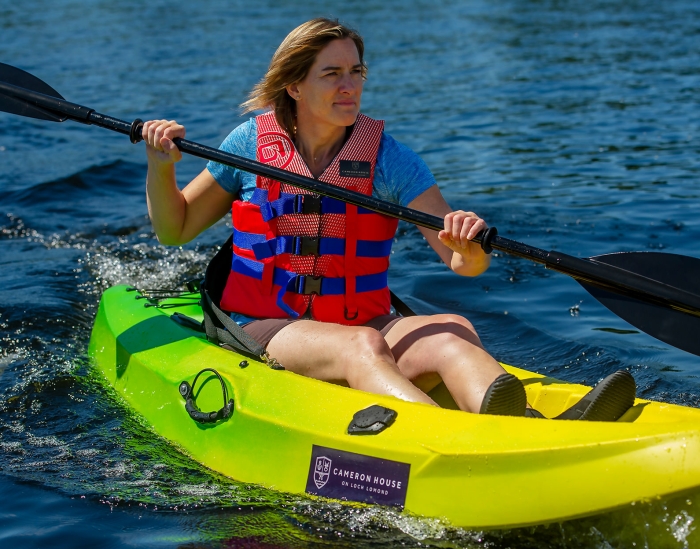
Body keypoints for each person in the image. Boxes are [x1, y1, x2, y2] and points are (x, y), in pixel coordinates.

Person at [142, 18, 635, 420]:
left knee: (451, 330)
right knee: (362, 346)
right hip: (268, 325)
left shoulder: (389, 159)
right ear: (293, 85)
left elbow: (462, 264)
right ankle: (451, 442)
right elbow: (174, 229)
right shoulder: (250, 145)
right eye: (331, 74)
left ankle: (532, 430)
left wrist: (468, 248)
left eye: (357, 72)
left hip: (366, 317)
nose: (349, 85)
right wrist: (160, 169)